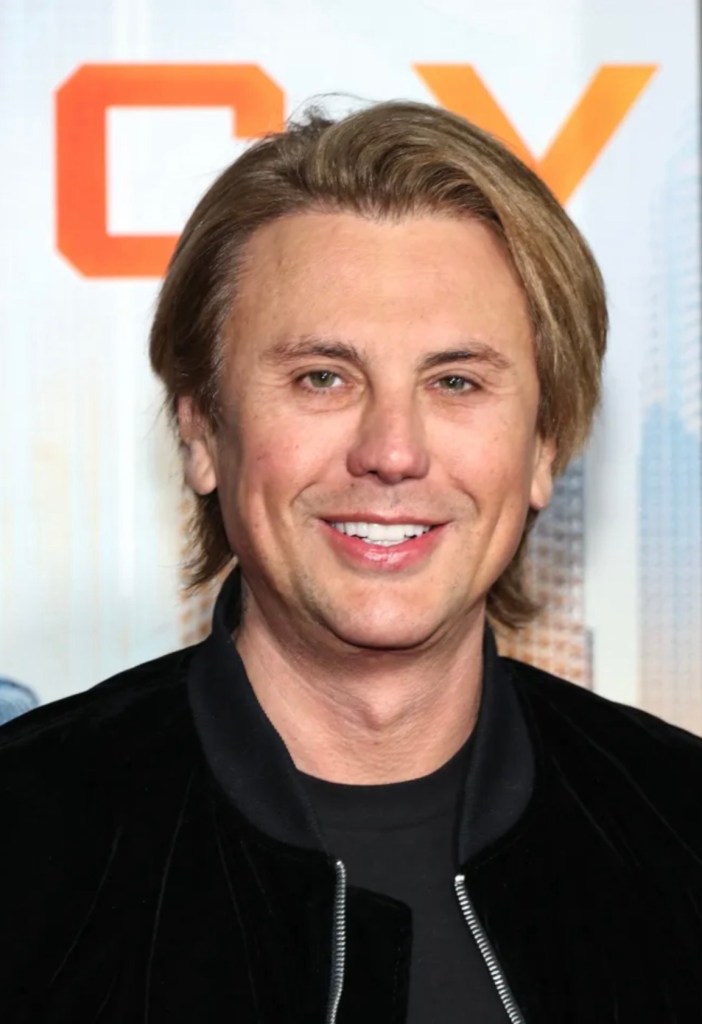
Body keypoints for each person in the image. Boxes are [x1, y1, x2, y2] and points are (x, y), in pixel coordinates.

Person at [1, 100, 701, 1024]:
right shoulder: (23, 842)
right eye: (322, 378)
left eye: (456, 381)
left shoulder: (682, 828)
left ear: (544, 447)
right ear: (202, 431)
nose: (393, 451)